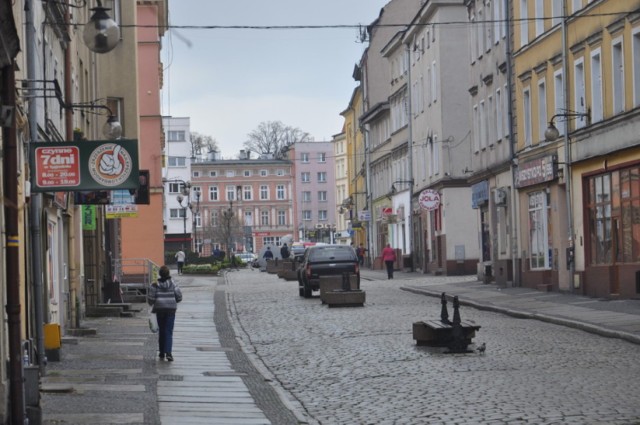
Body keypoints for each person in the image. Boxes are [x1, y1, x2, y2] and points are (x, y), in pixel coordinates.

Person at [147, 265, 182, 361]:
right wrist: (172, 300)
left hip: (159, 309)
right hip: (171, 310)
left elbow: (150, 300)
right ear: (168, 273)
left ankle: (162, 352)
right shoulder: (173, 283)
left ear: (160, 274)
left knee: (162, 330)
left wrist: (154, 302)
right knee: (169, 331)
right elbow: (179, 297)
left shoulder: (154, 285)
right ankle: (169, 353)